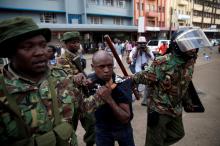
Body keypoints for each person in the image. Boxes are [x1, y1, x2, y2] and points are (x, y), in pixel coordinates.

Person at [0, 17, 103, 146]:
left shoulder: (61, 76)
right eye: (27, 47)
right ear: (9, 52)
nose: (40, 52)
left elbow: (82, 107)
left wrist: (102, 95)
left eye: (43, 45)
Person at [132, 28, 211, 146]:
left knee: (178, 133)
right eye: (188, 45)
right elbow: (144, 76)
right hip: (159, 109)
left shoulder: (190, 61)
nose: (193, 49)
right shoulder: (163, 62)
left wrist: (188, 100)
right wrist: (129, 79)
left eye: (193, 45)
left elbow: (185, 83)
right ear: (178, 46)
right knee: (154, 142)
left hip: (175, 108)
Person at [87, 50, 135, 146]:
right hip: (102, 128)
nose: (106, 70)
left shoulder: (122, 83)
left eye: (109, 65)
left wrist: (109, 99)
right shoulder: (89, 80)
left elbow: (125, 117)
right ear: (93, 67)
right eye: (101, 66)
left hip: (122, 127)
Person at [60, 31, 95, 146]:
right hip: (70, 100)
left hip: (83, 98)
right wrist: (76, 78)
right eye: (73, 42)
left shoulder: (77, 56)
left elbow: (81, 74)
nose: (76, 44)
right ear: (65, 44)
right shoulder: (62, 59)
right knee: (69, 130)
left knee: (92, 124)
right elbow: (64, 78)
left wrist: (85, 80)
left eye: (78, 42)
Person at [129, 36, 154, 105]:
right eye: (140, 43)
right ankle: (131, 100)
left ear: (145, 43)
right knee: (135, 86)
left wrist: (147, 52)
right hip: (137, 70)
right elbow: (131, 58)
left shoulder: (148, 49)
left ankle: (145, 101)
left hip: (145, 69)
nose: (142, 45)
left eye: (143, 43)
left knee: (147, 85)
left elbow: (153, 58)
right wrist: (137, 50)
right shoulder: (135, 49)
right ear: (138, 43)